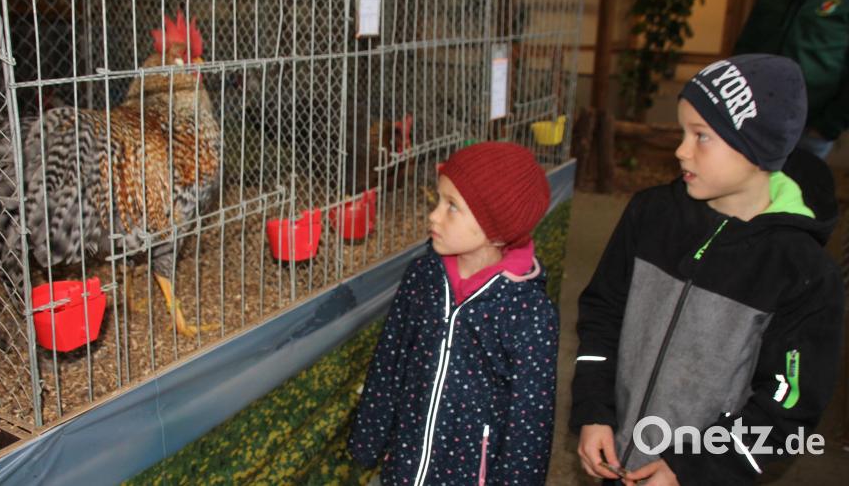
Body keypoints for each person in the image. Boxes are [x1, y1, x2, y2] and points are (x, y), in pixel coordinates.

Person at [570, 55, 844, 485]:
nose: (680, 149)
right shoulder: (650, 214)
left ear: (758, 147)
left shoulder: (802, 272)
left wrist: (693, 469)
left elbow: (789, 406)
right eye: (683, 132)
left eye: (701, 136)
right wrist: (593, 411)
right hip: (618, 455)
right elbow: (603, 312)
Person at [348, 142, 558, 485]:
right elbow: (390, 361)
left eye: (452, 207)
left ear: (497, 228)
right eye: (438, 200)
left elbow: (530, 424)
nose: (433, 215)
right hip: (402, 467)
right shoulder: (423, 276)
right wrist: (368, 443)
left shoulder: (529, 313)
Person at [734, 0, 849, 159]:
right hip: (755, 120)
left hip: (810, 129)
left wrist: (827, 127)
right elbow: (744, 50)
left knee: (792, 190)